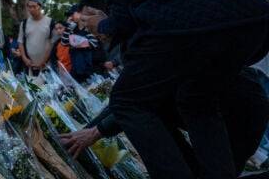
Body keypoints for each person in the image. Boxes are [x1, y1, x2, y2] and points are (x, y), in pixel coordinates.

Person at [80, 0, 269, 179]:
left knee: (128, 101)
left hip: (181, 26)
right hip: (253, 23)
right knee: (195, 98)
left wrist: (101, 24)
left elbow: (123, 20)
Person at [60, 67, 269, 178]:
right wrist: (86, 131)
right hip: (207, 102)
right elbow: (127, 98)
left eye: (88, 16)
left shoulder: (156, 31)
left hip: (241, 110)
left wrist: (96, 131)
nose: (85, 23)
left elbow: (141, 101)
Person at [14, 0, 58, 78]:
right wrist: (24, 58)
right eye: (29, 6)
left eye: (34, 6)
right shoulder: (24, 23)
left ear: (40, 7)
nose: (31, 9)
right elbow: (20, 41)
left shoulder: (50, 22)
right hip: (28, 65)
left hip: (46, 66)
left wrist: (43, 61)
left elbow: (52, 43)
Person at [62, 5, 99, 82]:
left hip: (88, 70)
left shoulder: (89, 27)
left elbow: (93, 43)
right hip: (75, 69)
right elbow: (64, 42)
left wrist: (74, 42)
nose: (70, 17)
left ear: (80, 13)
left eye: (72, 14)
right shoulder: (72, 29)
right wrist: (69, 27)